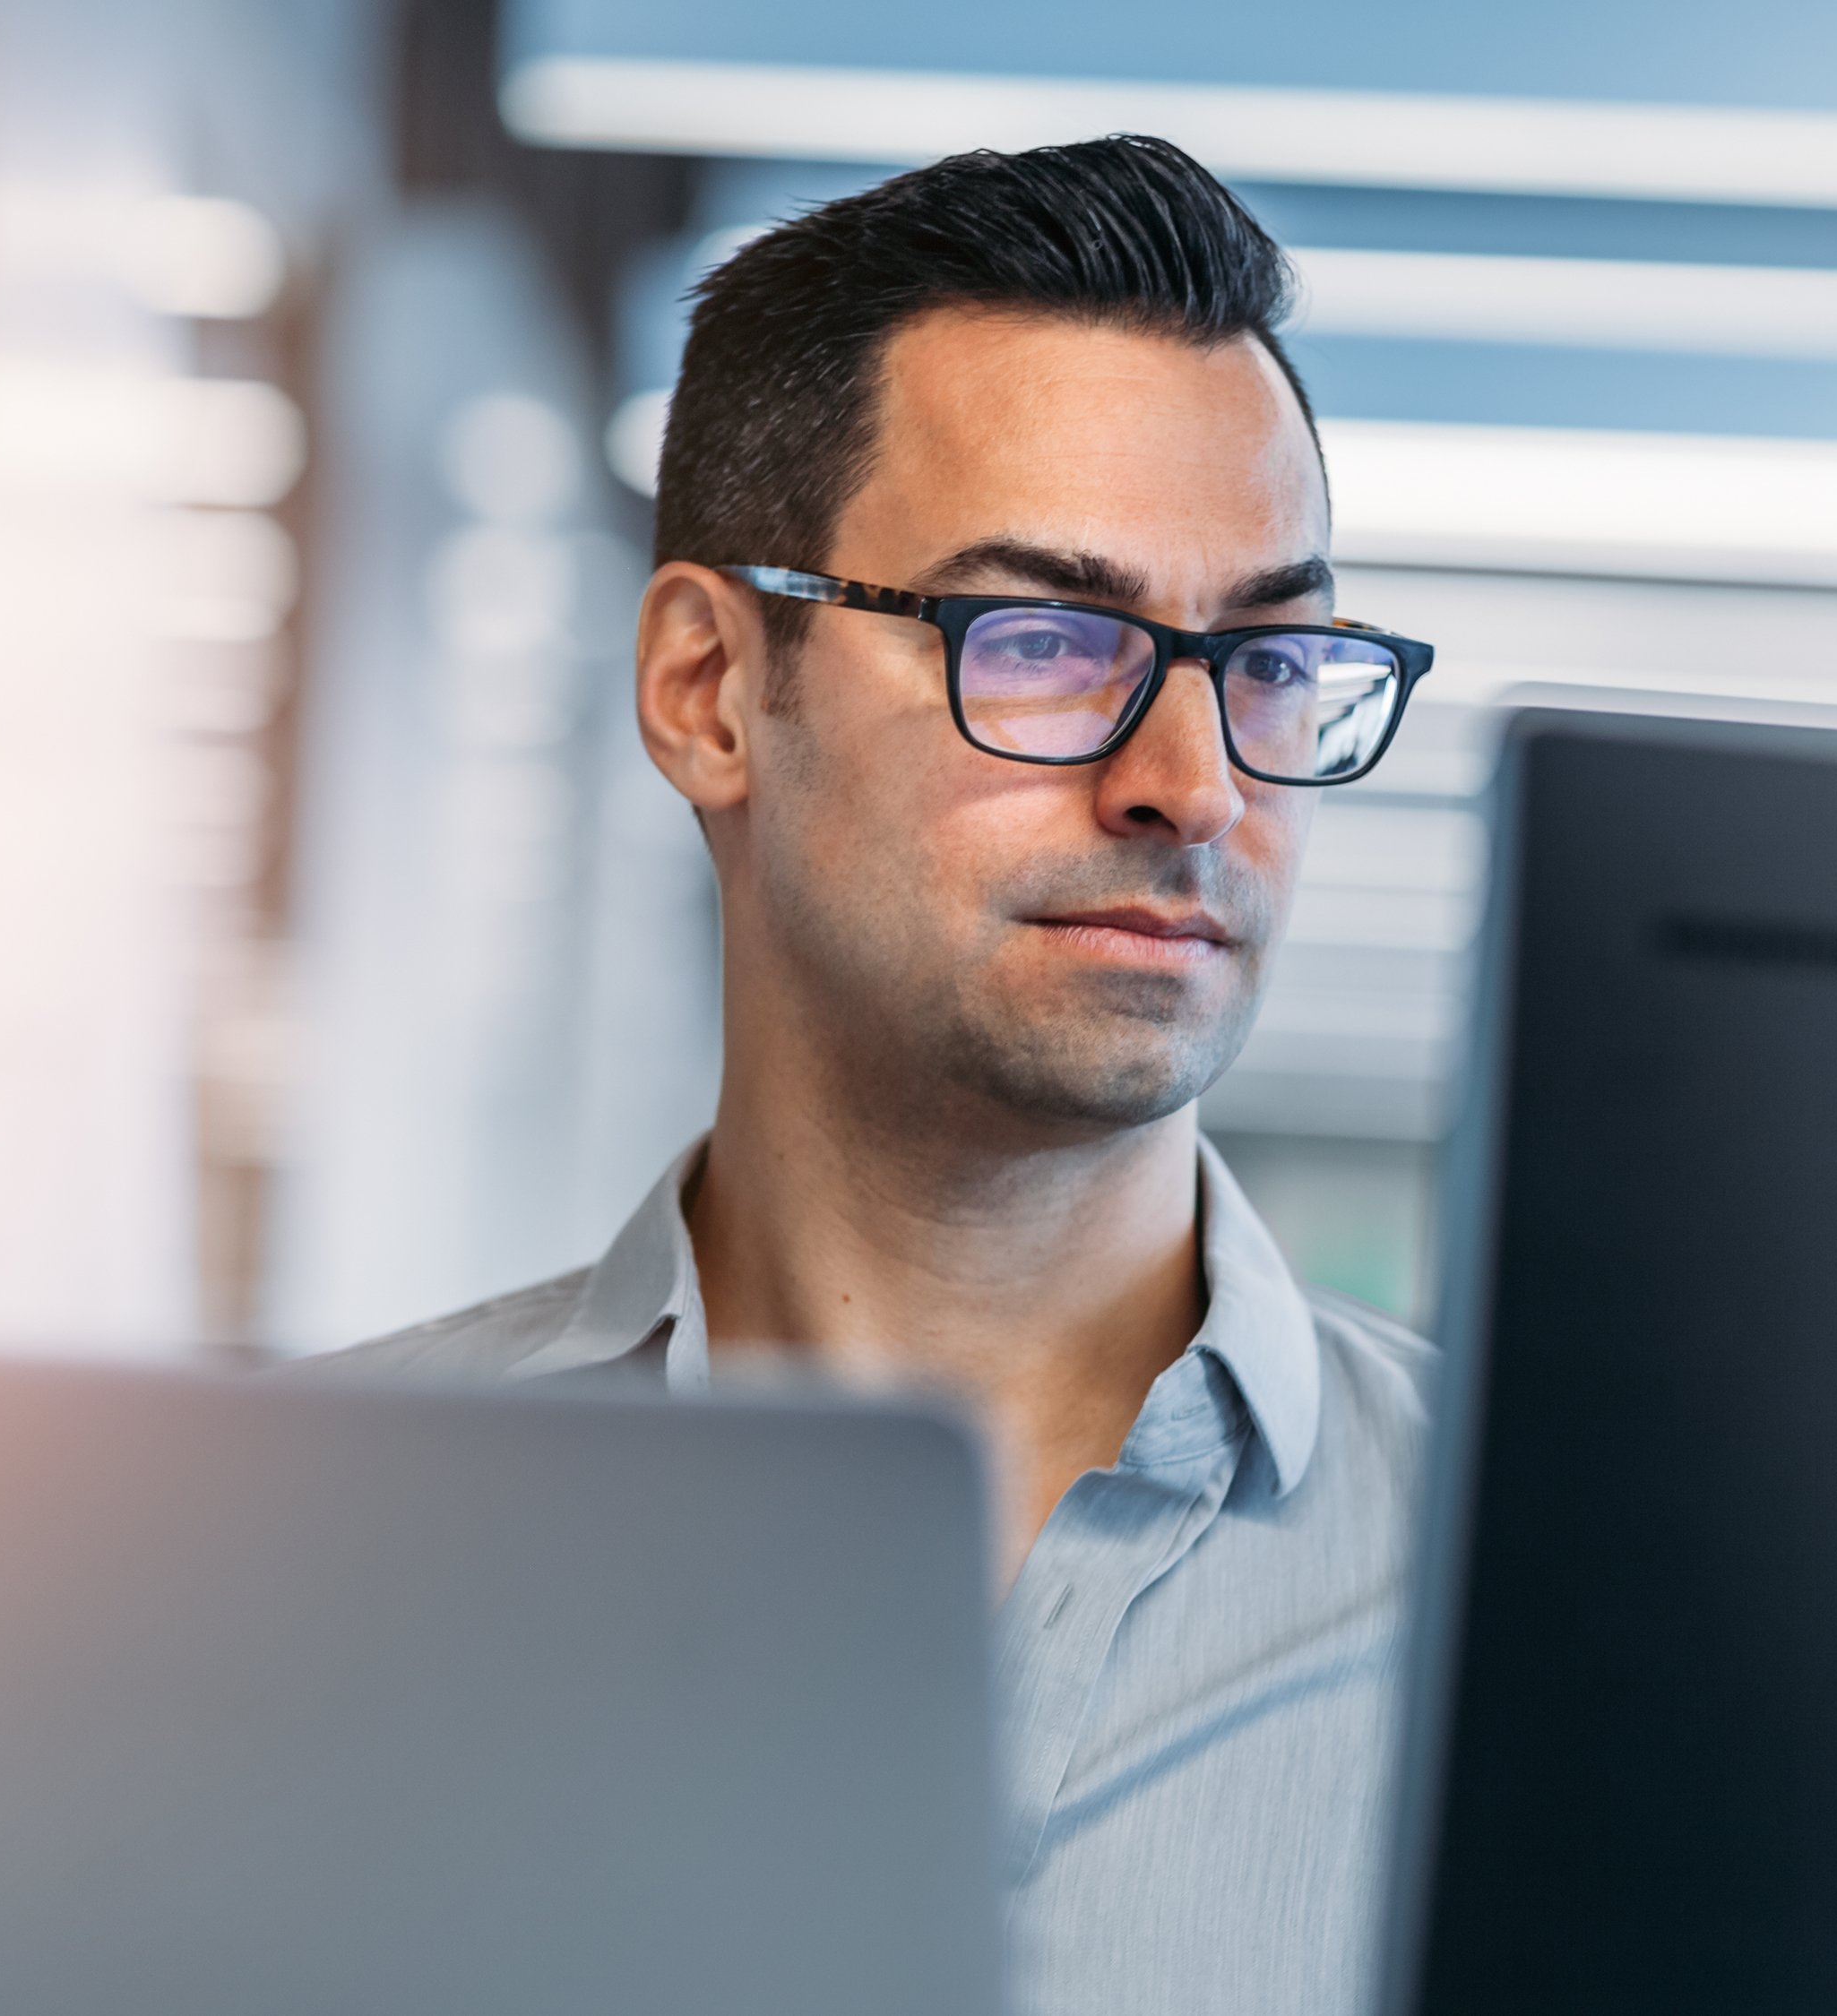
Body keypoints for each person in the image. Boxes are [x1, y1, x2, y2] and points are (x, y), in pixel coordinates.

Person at [305, 134, 1438, 2016]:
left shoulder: (1554, 1610)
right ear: (708, 690)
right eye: (1051, 640)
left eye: (1268, 659)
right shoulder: (287, 1558)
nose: (1195, 781)